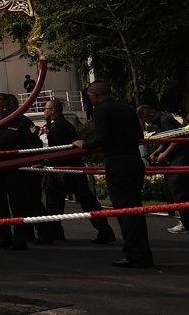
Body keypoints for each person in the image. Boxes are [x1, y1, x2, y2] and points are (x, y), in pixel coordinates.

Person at [74, 81, 153, 268]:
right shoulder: (126, 108)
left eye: (89, 97)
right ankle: (142, 252)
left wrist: (83, 144)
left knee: (125, 211)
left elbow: (102, 138)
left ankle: (135, 254)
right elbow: (138, 134)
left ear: (94, 95)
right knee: (136, 209)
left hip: (118, 162)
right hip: (134, 160)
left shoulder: (101, 110)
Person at [0, 93, 52, 250]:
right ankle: (4, 236)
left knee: (18, 205)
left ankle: (20, 239)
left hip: (16, 170)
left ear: (11, 106)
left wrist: (35, 163)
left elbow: (34, 146)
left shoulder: (23, 123)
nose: (3, 109)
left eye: (6, 106)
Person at [41, 98, 114, 243]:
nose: (44, 111)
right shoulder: (60, 125)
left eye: (46, 109)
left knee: (54, 201)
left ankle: (54, 233)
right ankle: (104, 230)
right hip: (70, 167)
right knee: (85, 200)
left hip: (64, 168)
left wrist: (61, 170)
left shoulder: (58, 127)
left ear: (53, 110)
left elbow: (62, 150)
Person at [138, 106, 188, 234]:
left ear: (150, 115)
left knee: (177, 187)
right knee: (178, 188)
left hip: (181, 158)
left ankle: (186, 222)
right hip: (178, 158)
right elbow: (166, 141)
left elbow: (177, 139)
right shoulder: (163, 122)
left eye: (146, 120)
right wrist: (155, 154)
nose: (148, 123)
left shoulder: (165, 120)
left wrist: (165, 154)